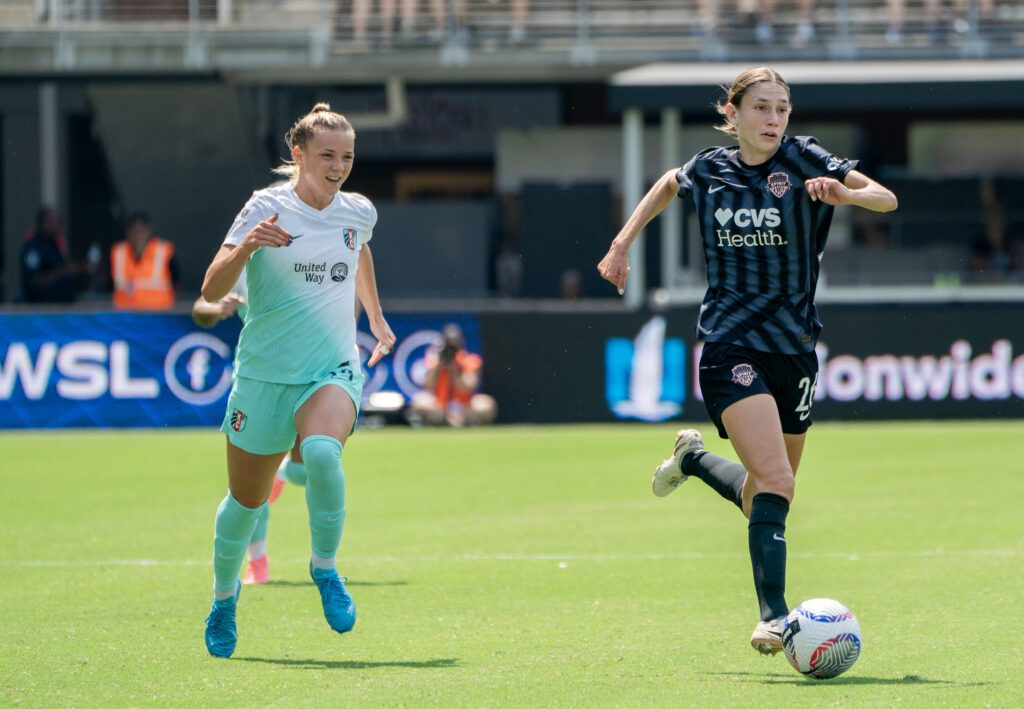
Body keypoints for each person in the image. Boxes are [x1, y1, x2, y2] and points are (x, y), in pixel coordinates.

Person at [598, 67, 897, 656]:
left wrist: (846, 194)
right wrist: (621, 244)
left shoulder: (807, 160)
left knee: (767, 494)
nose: (773, 120)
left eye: (782, 109)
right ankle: (773, 617)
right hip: (731, 345)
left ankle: (695, 460)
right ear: (732, 114)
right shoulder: (711, 169)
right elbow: (667, 183)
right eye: (761, 108)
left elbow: (886, 198)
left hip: (796, 350)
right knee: (777, 481)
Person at [200, 102, 396, 659]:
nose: (338, 166)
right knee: (245, 501)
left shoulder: (358, 211)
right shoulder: (265, 207)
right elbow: (213, 289)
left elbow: (358, 250)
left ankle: (325, 568)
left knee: (322, 454)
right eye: (328, 155)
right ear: (299, 154)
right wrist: (249, 245)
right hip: (264, 375)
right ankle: (222, 599)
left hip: (329, 368)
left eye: (348, 157)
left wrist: (375, 316)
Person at [409, 323, 497, 427]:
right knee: (420, 401)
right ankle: (442, 419)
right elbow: (428, 385)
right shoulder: (435, 361)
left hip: (464, 406)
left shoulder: (469, 361)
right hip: (440, 405)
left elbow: (467, 388)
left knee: (486, 404)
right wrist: (438, 366)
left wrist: (455, 369)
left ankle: (460, 420)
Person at [20, 207, 90, 303]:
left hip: (64, 304)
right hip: (41, 306)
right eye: (51, 221)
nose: (56, 225)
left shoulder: (56, 244)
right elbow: (34, 281)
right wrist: (62, 272)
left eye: (58, 221)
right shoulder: (34, 247)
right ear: (42, 222)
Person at [110, 212, 179, 310]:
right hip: (125, 315)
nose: (138, 235)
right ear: (128, 232)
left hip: (158, 312)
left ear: (149, 231)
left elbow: (176, 280)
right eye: (134, 230)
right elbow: (109, 283)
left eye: (141, 231)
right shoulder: (118, 252)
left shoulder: (162, 251)